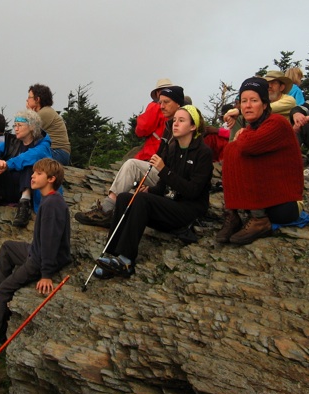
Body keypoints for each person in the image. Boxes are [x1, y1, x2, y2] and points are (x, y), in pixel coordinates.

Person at [0, 158, 71, 366]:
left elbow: (51, 241)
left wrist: (46, 273)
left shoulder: (53, 204)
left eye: (38, 174)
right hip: (35, 252)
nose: (32, 176)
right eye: (34, 173)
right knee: (8, 247)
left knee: (5, 290)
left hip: (40, 260)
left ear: (51, 179)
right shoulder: (47, 200)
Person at [93, 105, 213, 279]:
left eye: (181, 121)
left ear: (193, 126)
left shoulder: (203, 153)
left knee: (142, 200)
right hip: (170, 204)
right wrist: (151, 189)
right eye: (174, 121)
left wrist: (164, 170)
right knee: (125, 198)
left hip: (189, 210)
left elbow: (193, 191)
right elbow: (163, 186)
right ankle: (110, 255)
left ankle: (126, 260)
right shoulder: (173, 149)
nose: (175, 124)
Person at [74, 85, 185, 228]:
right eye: (160, 102)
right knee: (132, 172)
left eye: (166, 102)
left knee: (132, 165)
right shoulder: (169, 124)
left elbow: (142, 129)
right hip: (161, 173)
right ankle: (111, 209)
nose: (161, 106)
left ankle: (107, 210)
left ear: (178, 103)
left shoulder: (181, 125)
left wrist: (155, 187)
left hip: (171, 179)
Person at [218, 78, 304, 246]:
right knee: (231, 150)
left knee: (239, 149)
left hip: (286, 204)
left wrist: (242, 135)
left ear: (265, 104)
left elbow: (249, 146)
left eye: (254, 100)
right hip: (268, 196)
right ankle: (232, 214)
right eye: (244, 101)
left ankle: (259, 220)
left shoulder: (277, 123)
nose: (247, 105)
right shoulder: (252, 128)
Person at [0, 109, 52, 227]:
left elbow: (30, 156)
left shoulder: (42, 145)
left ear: (31, 127)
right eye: (15, 125)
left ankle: (25, 204)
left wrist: (7, 164)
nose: (16, 129)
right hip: (10, 187)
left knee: (29, 165)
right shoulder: (12, 142)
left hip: (31, 189)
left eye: (19, 125)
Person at [223, 71, 296, 137]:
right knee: (238, 119)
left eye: (274, 83)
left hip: (279, 136)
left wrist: (239, 111)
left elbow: (266, 108)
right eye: (268, 83)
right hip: (261, 132)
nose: (270, 86)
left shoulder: (289, 100)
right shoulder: (262, 101)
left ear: (281, 87)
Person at [26, 84, 71, 165]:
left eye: (29, 97)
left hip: (57, 152)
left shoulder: (44, 113)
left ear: (37, 99)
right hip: (57, 152)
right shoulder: (44, 112)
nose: (27, 100)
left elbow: (26, 133)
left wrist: (30, 113)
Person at [132, 78, 175, 161]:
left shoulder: (155, 106)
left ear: (157, 93)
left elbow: (142, 128)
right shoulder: (179, 107)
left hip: (153, 153)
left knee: (131, 165)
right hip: (171, 152)